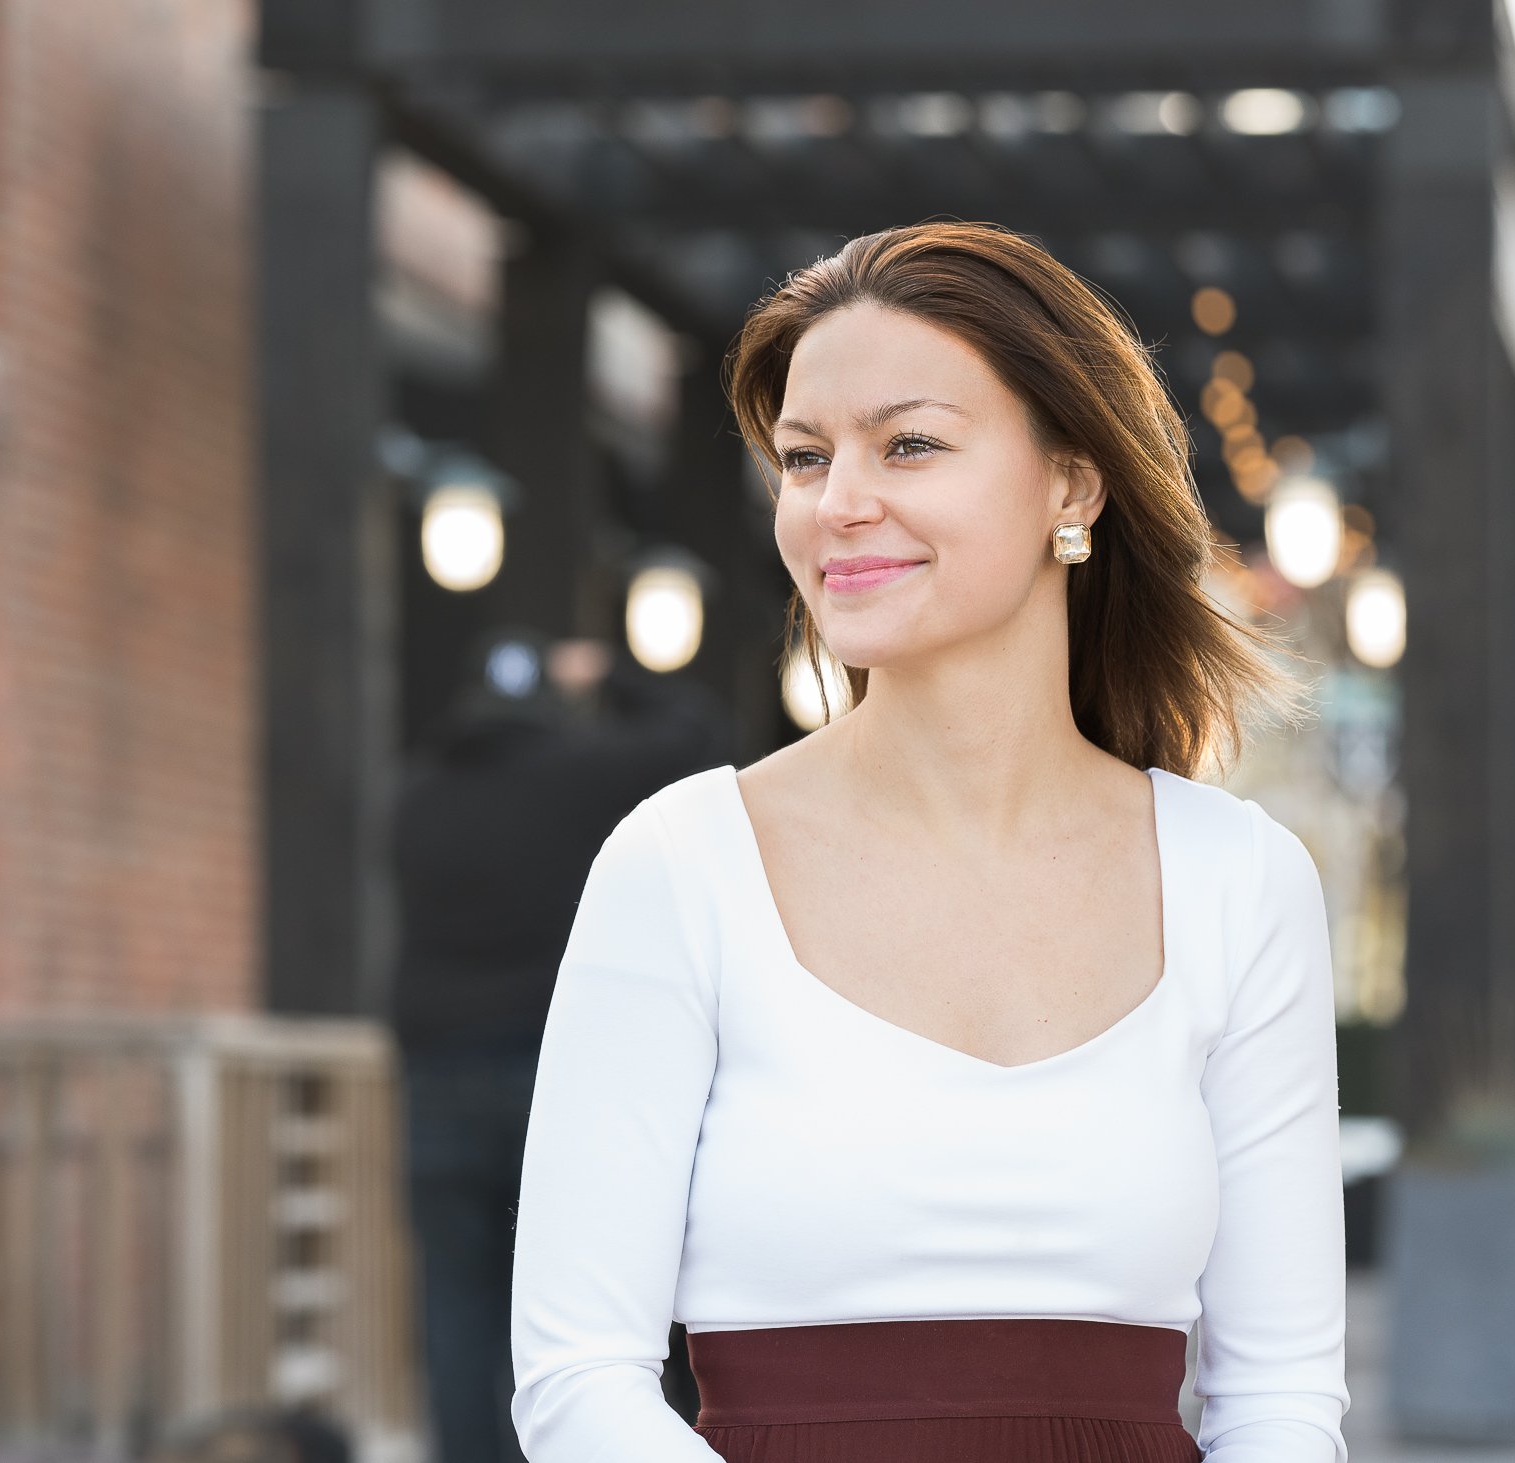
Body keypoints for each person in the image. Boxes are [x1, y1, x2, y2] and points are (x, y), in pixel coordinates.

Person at [508, 221, 1349, 1462]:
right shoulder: (680, 864)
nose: (839, 503)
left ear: (1072, 482)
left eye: (907, 443)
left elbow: (1279, 1400)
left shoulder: (1237, 880)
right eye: (803, 458)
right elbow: (578, 1378)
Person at [389, 625, 730, 1462]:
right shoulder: (587, 776)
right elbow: (703, 735)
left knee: (456, 1307)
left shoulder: (414, 795)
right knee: (584, 1315)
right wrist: (614, 673)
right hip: (555, 1078)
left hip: (434, 1077)